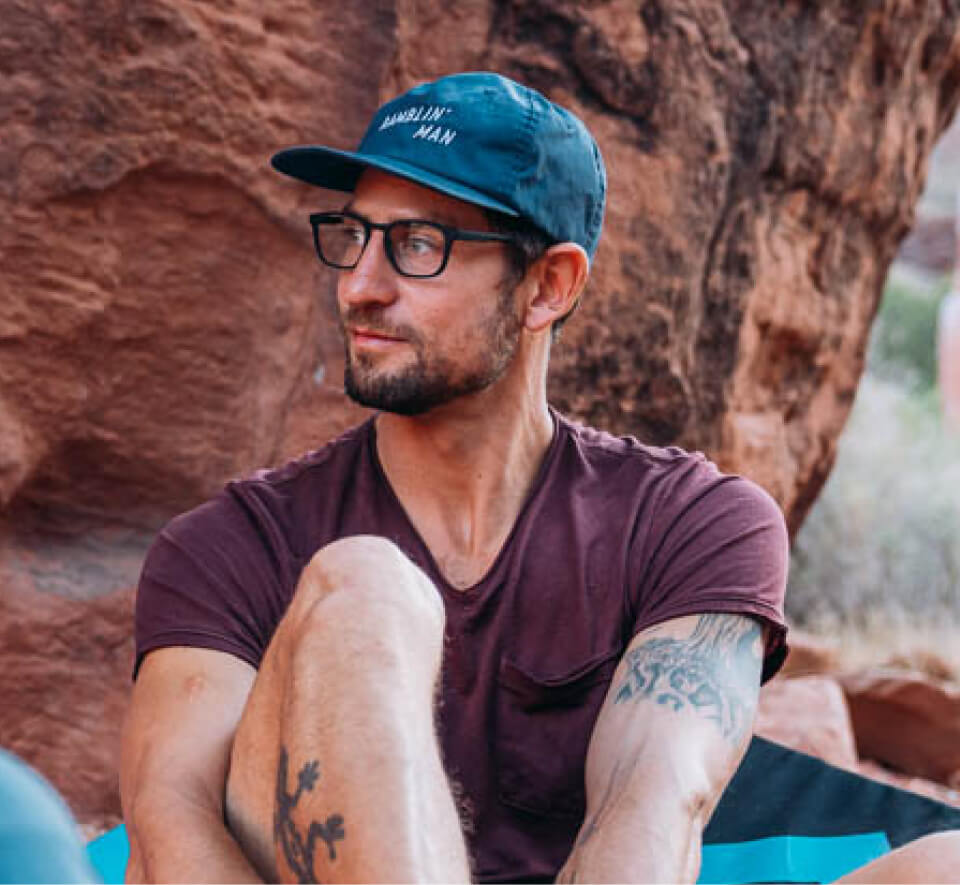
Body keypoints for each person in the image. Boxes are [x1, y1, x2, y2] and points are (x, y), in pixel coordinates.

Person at [120, 71, 956, 884]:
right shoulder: (234, 544)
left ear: (547, 286)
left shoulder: (689, 521)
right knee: (365, 585)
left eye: (416, 245)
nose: (359, 286)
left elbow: (653, 805)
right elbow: (171, 831)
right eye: (354, 235)